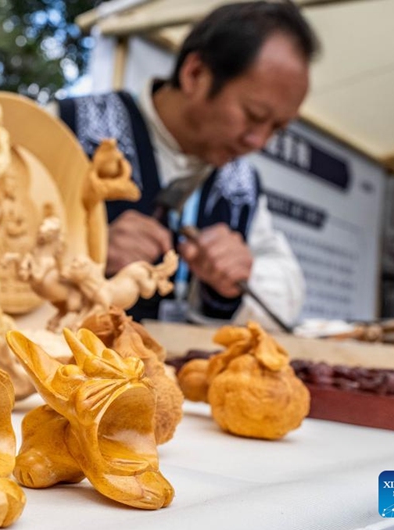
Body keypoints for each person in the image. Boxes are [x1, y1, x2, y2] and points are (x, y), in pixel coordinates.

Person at [56, 1, 318, 329]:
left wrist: (231, 285)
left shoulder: (242, 183)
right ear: (194, 74)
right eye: (254, 116)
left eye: (276, 128)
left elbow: (286, 292)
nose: (259, 143)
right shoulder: (67, 129)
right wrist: (86, 256)